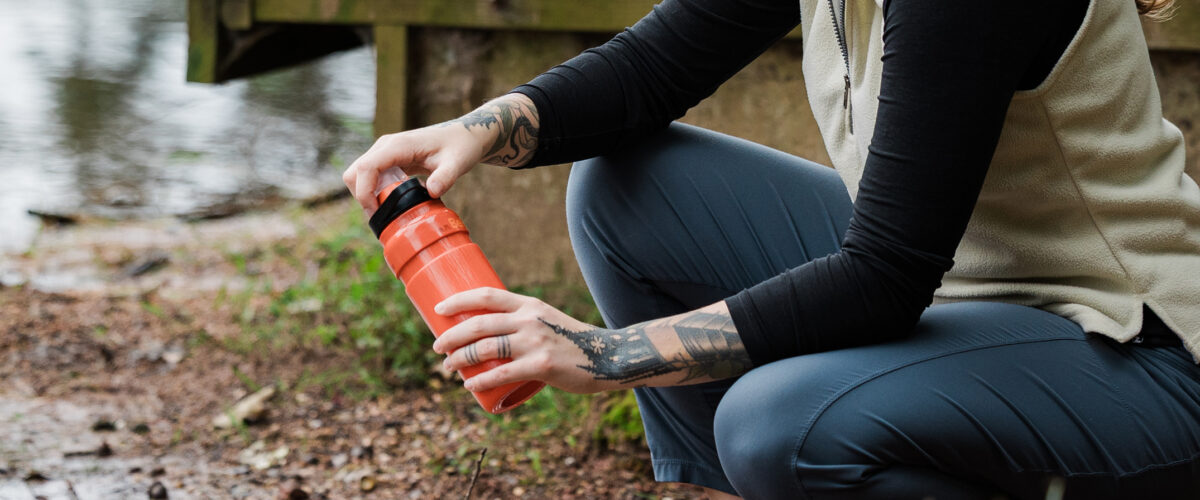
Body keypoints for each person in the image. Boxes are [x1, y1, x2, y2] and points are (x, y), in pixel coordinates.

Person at [343, 0, 1200, 497]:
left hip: (1128, 346)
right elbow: (653, 70)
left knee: (774, 423)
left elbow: (884, 278)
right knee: (625, 189)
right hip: (964, 289)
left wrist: (602, 355)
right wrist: (475, 130)